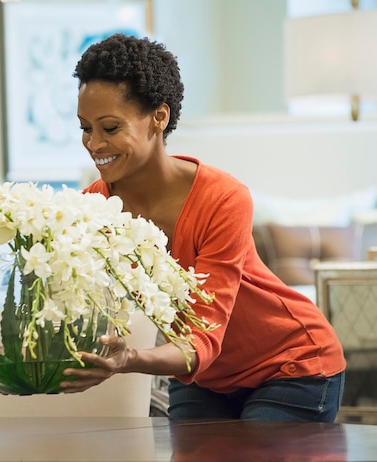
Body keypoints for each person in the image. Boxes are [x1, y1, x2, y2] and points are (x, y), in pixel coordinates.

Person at [59, 33, 346, 422]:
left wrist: (130, 359)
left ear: (158, 117)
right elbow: (70, 303)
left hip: (290, 363)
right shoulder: (92, 208)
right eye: (85, 128)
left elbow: (203, 336)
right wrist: (7, 368)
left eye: (109, 128)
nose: (93, 143)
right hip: (203, 378)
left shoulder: (223, 198)